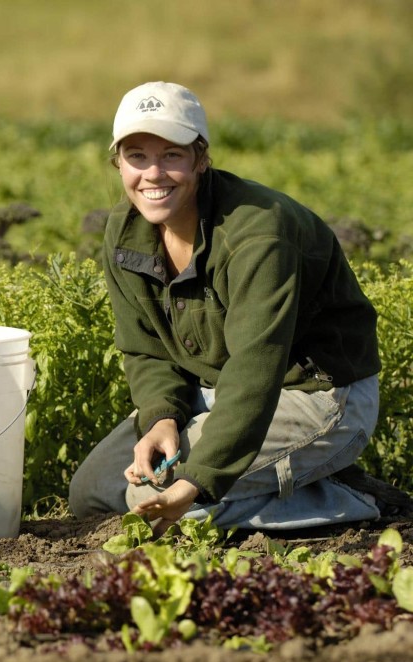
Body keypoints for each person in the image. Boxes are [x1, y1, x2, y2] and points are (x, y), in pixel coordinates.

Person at [67, 81, 409, 535]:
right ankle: (286, 479)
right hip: (216, 392)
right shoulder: (126, 232)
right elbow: (145, 349)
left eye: (171, 154)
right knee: (89, 492)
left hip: (315, 396)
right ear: (119, 163)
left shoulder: (257, 235)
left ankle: (348, 499)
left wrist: (198, 481)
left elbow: (256, 369)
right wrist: (161, 417)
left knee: (159, 503)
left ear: (201, 158)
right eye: (137, 156)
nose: (153, 174)